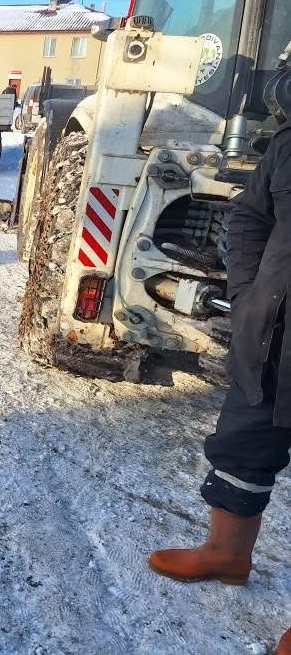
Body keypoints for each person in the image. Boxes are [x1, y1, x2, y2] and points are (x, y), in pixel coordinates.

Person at [148, 122, 291, 654]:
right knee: (243, 443)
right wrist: (249, 290)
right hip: (272, 329)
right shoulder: (289, 141)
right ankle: (228, 553)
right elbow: (252, 216)